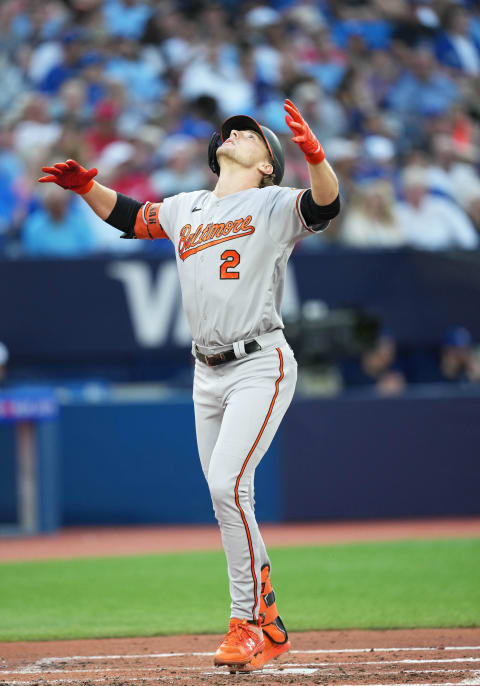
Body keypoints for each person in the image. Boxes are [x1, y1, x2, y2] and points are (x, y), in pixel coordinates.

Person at [38, 99, 340, 672]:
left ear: (268, 164)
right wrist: (86, 189)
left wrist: (315, 155)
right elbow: (130, 217)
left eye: (250, 133)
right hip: (207, 372)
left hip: (260, 362)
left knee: (227, 484)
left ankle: (250, 622)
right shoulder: (188, 207)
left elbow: (326, 204)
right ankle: (265, 623)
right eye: (233, 130)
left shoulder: (273, 203)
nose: (238, 133)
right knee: (228, 495)